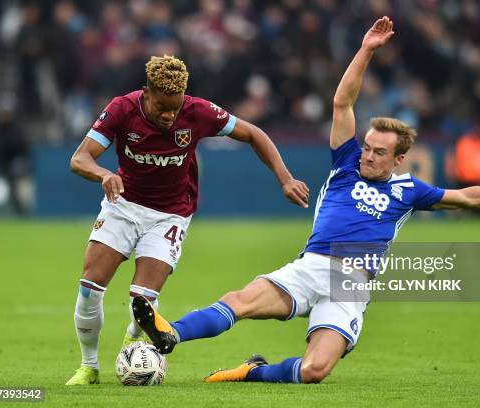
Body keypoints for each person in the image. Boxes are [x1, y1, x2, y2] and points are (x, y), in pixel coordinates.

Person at [132, 17, 480, 384]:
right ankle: (168, 333)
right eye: (368, 146)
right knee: (243, 301)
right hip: (314, 263)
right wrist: (366, 50)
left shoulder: (410, 191)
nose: (368, 155)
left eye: (379, 152)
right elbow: (343, 101)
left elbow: (471, 196)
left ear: (399, 158)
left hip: (352, 283)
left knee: (315, 371)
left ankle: (249, 373)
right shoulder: (345, 163)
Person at [65, 55, 309, 385]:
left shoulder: (198, 112)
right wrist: (103, 174)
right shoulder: (122, 109)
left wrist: (285, 178)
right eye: (162, 107)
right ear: (146, 94)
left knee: (143, 302)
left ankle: (132, 345)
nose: (169, 115)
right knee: (90, 287)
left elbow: (253, 133)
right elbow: (80, 158)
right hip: (122, 205)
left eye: (175, 108)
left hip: (170, 215)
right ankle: (88, 367)